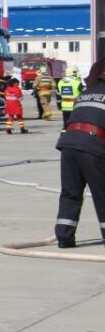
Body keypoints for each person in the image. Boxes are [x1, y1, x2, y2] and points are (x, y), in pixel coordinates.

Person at [54, 58, 105, 249]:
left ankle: (64, 238)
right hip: (92, 144)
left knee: (70, 193)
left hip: (68, 144)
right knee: (102, 192)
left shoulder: (85, 93)